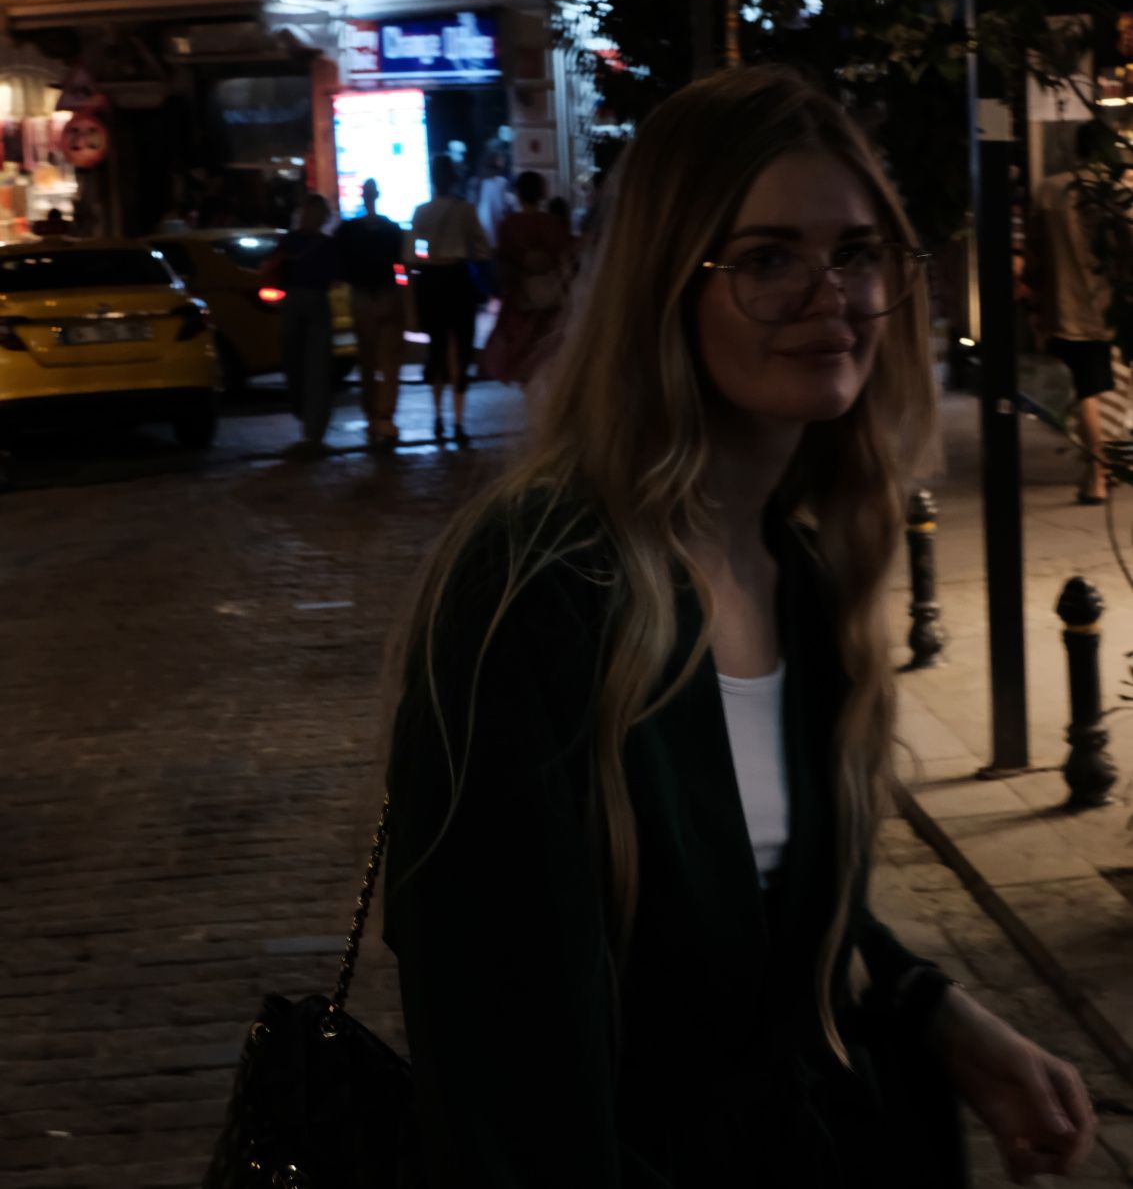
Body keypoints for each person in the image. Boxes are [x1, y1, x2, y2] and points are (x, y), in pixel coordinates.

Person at [382, 67, 1095, 1189]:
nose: (830, 296)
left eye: (856, 252)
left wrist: (940, 1017)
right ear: (665, 287)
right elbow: (504, 1059)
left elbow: (769, 929)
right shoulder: (541, 584)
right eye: (766, 260)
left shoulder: (798, 565)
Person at [1029, 120, 1126, 503]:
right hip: (1106, 308)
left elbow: (1035, 255)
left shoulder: (1049, 191)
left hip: (1063, 307)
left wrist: (1037, 306)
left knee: (1087, 390)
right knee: (1093, 390)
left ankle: (1101, 469)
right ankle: (1100, 472)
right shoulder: (1117, 193)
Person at [410, 154, 491, 447]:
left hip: (431, 281)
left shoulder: (421, 212)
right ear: (453, 178)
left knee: (437, 348)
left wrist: (428, 257)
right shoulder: (465, 210)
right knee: (461, 348)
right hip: (458, 279)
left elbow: (414, 252)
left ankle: (437, 417)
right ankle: (458, 421)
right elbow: (482, 248)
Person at [479, 170, 573, 389]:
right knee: (549, 351)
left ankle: (529, 390)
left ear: (518, 193)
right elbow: (565, 256)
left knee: (522, 351)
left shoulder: (509, 225)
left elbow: (502, 262)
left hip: (521, 296)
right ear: (541, 193)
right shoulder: (552, 223)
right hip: (550, 296)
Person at [265, 192, 337, 457]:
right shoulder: (325, 245)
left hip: (296, 302)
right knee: (315, 366)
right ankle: (313, 428)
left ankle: (308, 423)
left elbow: (272, 268)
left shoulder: (292, 241)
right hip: (314, 302)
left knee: (299, 363)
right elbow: (334, 277)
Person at [335, 179, 405, 449]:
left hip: (362, 296)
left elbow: (340, 263)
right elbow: (402, 263)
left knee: (367, 359)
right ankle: (385, 415)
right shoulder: (391, 229)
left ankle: (372, 414)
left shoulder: (350, 230)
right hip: (387, 294)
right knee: (389, 361)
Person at [474, 145, 515, 248]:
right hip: (496, 222)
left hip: (482, 221)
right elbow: (501, 206)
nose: (503, 160)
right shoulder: (501, 182)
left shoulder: (481, 181)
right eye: (500, 158)